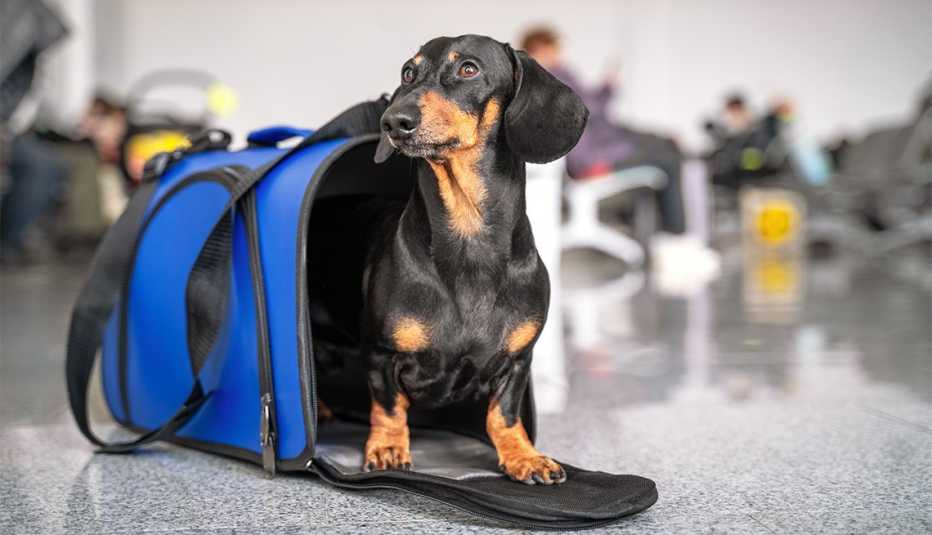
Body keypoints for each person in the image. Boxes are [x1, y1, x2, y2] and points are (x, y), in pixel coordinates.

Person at [520, 27, 687, 236]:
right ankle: (676, 235)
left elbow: (590, 109)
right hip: (591, 159)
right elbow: (591, 108)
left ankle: (668, 233)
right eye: (554, 48)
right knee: (670, 159)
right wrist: (609, 87)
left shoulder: (532, 80)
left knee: (663, 148)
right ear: (540, 48)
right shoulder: (555, 75)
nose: (559, 53)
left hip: (589, 153)